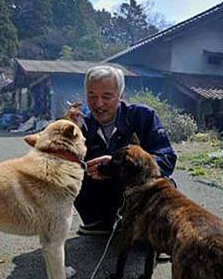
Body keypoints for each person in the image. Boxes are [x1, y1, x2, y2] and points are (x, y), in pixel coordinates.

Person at [67, 65, 177, 235]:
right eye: (92, 95)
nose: (98, 103)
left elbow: (167, 159)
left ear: (120, 96)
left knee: (166, 183)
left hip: (138, 196)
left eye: (107, 96)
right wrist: (69, 133)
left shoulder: (143, 116)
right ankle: (99, 222)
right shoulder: (81, 124)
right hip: (100, 201)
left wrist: (117, 165)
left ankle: (153, 231)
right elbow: (57, 165)